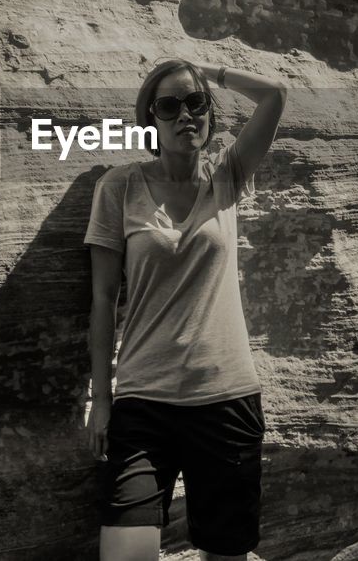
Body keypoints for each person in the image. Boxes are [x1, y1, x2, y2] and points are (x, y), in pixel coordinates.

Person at [84, 58, 288, 561]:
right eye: (169, 106)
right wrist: (101, 400)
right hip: (143, 401)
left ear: (210, 114)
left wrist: (209, 71)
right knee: (125, 554)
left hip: (226, 398)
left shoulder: (228, 175)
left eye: (195, 104)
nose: (185, 116)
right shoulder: (118, 187)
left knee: (226, 554)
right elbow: (103, 300)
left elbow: (275, 95)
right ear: (150, 118)